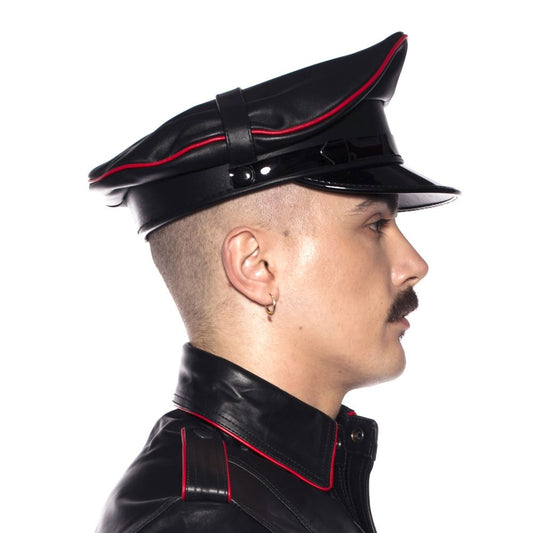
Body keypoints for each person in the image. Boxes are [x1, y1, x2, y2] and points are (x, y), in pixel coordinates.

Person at [89, 32, 460, 532]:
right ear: (257, 266)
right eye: (375, 226)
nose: (414, 264)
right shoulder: (203, 520)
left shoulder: (278, 485)